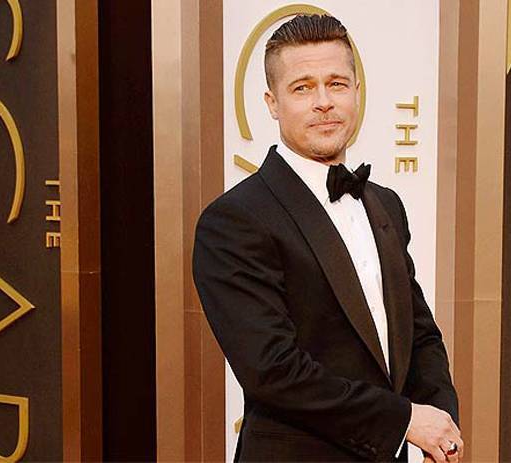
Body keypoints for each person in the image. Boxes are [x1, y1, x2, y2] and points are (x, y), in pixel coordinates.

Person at [192, 14, 462, 463]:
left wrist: (442, 424)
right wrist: (405, 420)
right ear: (272, 103)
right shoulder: (234, 220)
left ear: (357, 92)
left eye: (336, 84)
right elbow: (273, 371)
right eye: (302, 88)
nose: (323, 102)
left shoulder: (385, 204)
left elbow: (419, 334)